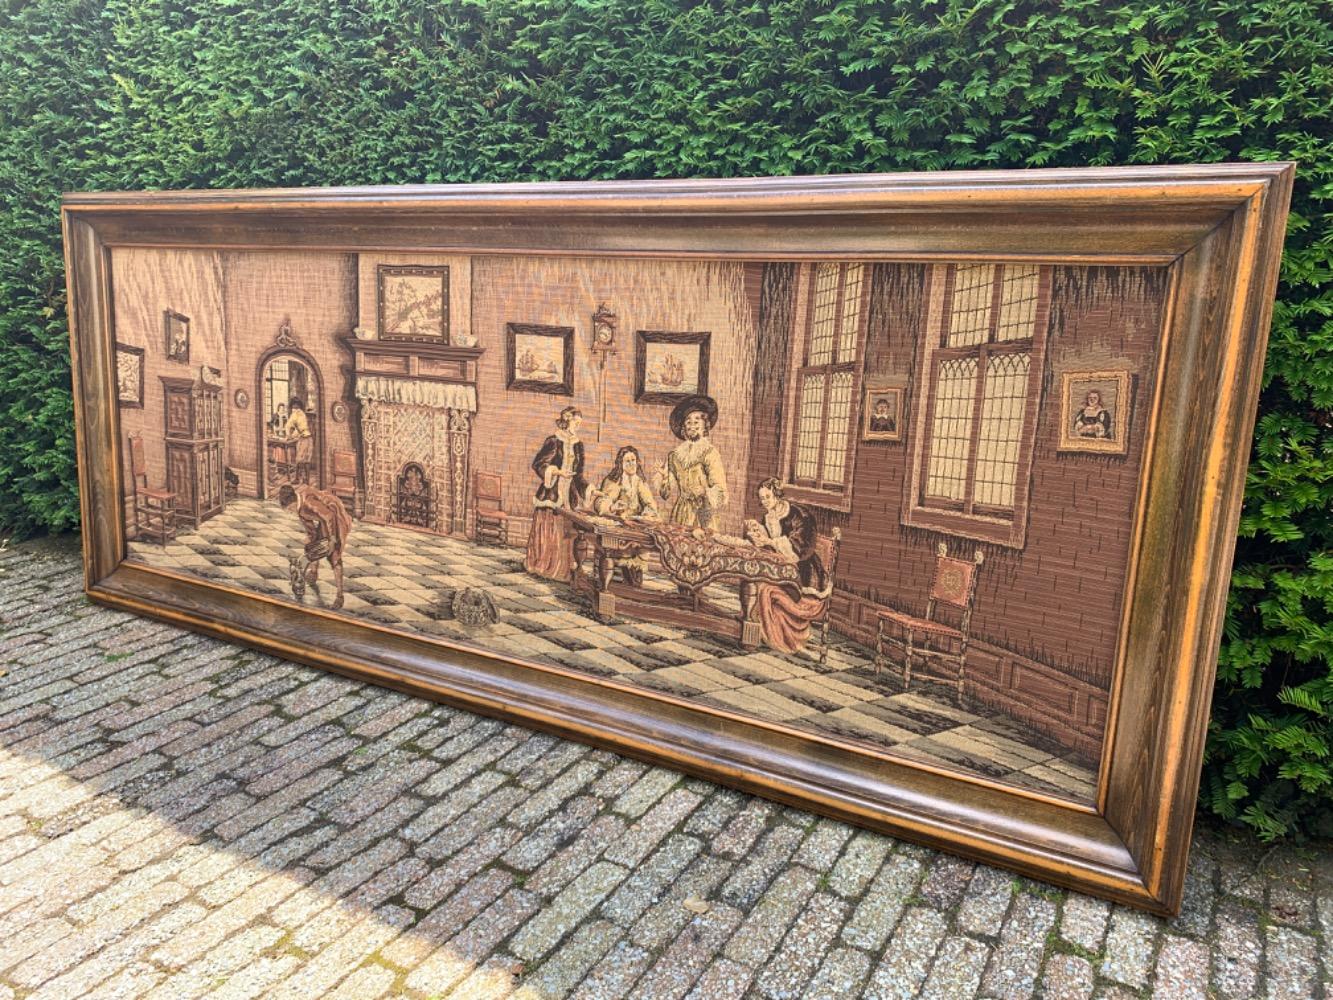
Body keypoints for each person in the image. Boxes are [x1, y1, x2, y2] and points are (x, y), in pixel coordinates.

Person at [744, 478, 830, 653]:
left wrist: (769, 541)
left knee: (766, 589)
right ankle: (758, 632)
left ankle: (783, 637)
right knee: (755, 581)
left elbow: (800, 550)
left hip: (803, 571)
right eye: (761, 498)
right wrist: (758, 531)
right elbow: (770, 542)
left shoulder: (799, 515)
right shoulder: (769, 516)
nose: (764, 502)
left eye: (767, 497)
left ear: (777, 494)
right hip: (781, 567)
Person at [524, 406, 587, 581]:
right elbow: (538, 464)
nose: (578, 426)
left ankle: (563, 568)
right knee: (550, 529)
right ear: (567, 421)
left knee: (566, 531)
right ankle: (544, 565)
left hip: (568, 495)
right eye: (576, 422)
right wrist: (557, 472)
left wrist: (592, 491)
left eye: (580, 423)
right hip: (551, 494)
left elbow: (579, 476)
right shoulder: (553, 441)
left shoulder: (578, 445)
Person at [655, 395, 727, 530]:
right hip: (681, 513)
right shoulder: (674, 456)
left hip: (703, 513)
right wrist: (664, 476)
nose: (692, 426)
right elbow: (665, 495)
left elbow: (721, 491)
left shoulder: (710, 453)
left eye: (696, 421)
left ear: (705, 425)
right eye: (688, 422)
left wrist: (705, 491)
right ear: (683, 427)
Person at [590, 445, 658, 587]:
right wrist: (613, 507)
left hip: (634, 525)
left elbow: (650, 503)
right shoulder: (614, 481)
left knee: (640, 545)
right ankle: (611, 583)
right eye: (627, 461)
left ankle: (633, 583)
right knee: (616, 549)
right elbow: (601, 501)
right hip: (618, 525)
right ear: (621, 464)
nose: (631, 464)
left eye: (633, 460)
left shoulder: (639, 481)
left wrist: (647, 512)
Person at [278, 482, 351, 610]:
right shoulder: (300, 510)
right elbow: (311, 531)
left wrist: (332, 539)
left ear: (293, 502)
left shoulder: (308, 503)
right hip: (325, 520)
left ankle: (340, 595)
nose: (290, 512)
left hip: (336, 516)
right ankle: (313, 573)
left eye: (290, 509)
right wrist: (310, 541)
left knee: (334, 556)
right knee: (311, 545)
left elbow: (329, 516)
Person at [285, 396, 313, 484]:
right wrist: (292, 435)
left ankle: (297, 479)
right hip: (309, 438)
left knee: (299, 460)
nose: (294, 409)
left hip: (304, 439)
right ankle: (307, 480)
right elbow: (298, 428)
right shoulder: (302, 414)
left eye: (295, 407)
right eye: (293, 407)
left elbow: (288, 426)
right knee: (307, 460)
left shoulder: (295, 414)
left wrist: (289, 436)